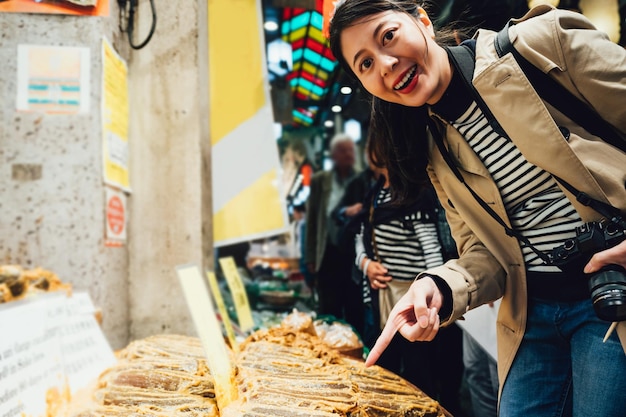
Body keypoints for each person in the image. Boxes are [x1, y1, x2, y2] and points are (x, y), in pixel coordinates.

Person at [328, 1, 626, 416]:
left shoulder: (542, 44)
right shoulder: (434, 147)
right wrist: (439, 287)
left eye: (388, 36)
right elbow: (485, 254)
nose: (387, 63)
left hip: (612, 299)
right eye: (365, 63)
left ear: (423, 21)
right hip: (531, 315)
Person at [353, 161, 465, 414]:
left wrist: (434, 284)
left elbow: (431, 250)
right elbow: (359, 239)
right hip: (381, 298)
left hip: (415, 300)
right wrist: (366, 264)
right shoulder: (374, 193)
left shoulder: (415, 194)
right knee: (384, 370)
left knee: (419, 372)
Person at [305, 133, 359, 324]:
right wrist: (310, 256)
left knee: (353, 305)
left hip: (352, 254)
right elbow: (312, 220)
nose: (349, 154)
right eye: (343, 150)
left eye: (351, 149)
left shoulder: (360, 179)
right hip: (327, 251)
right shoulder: (321, 180)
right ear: (334, 155)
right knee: (329, 305)